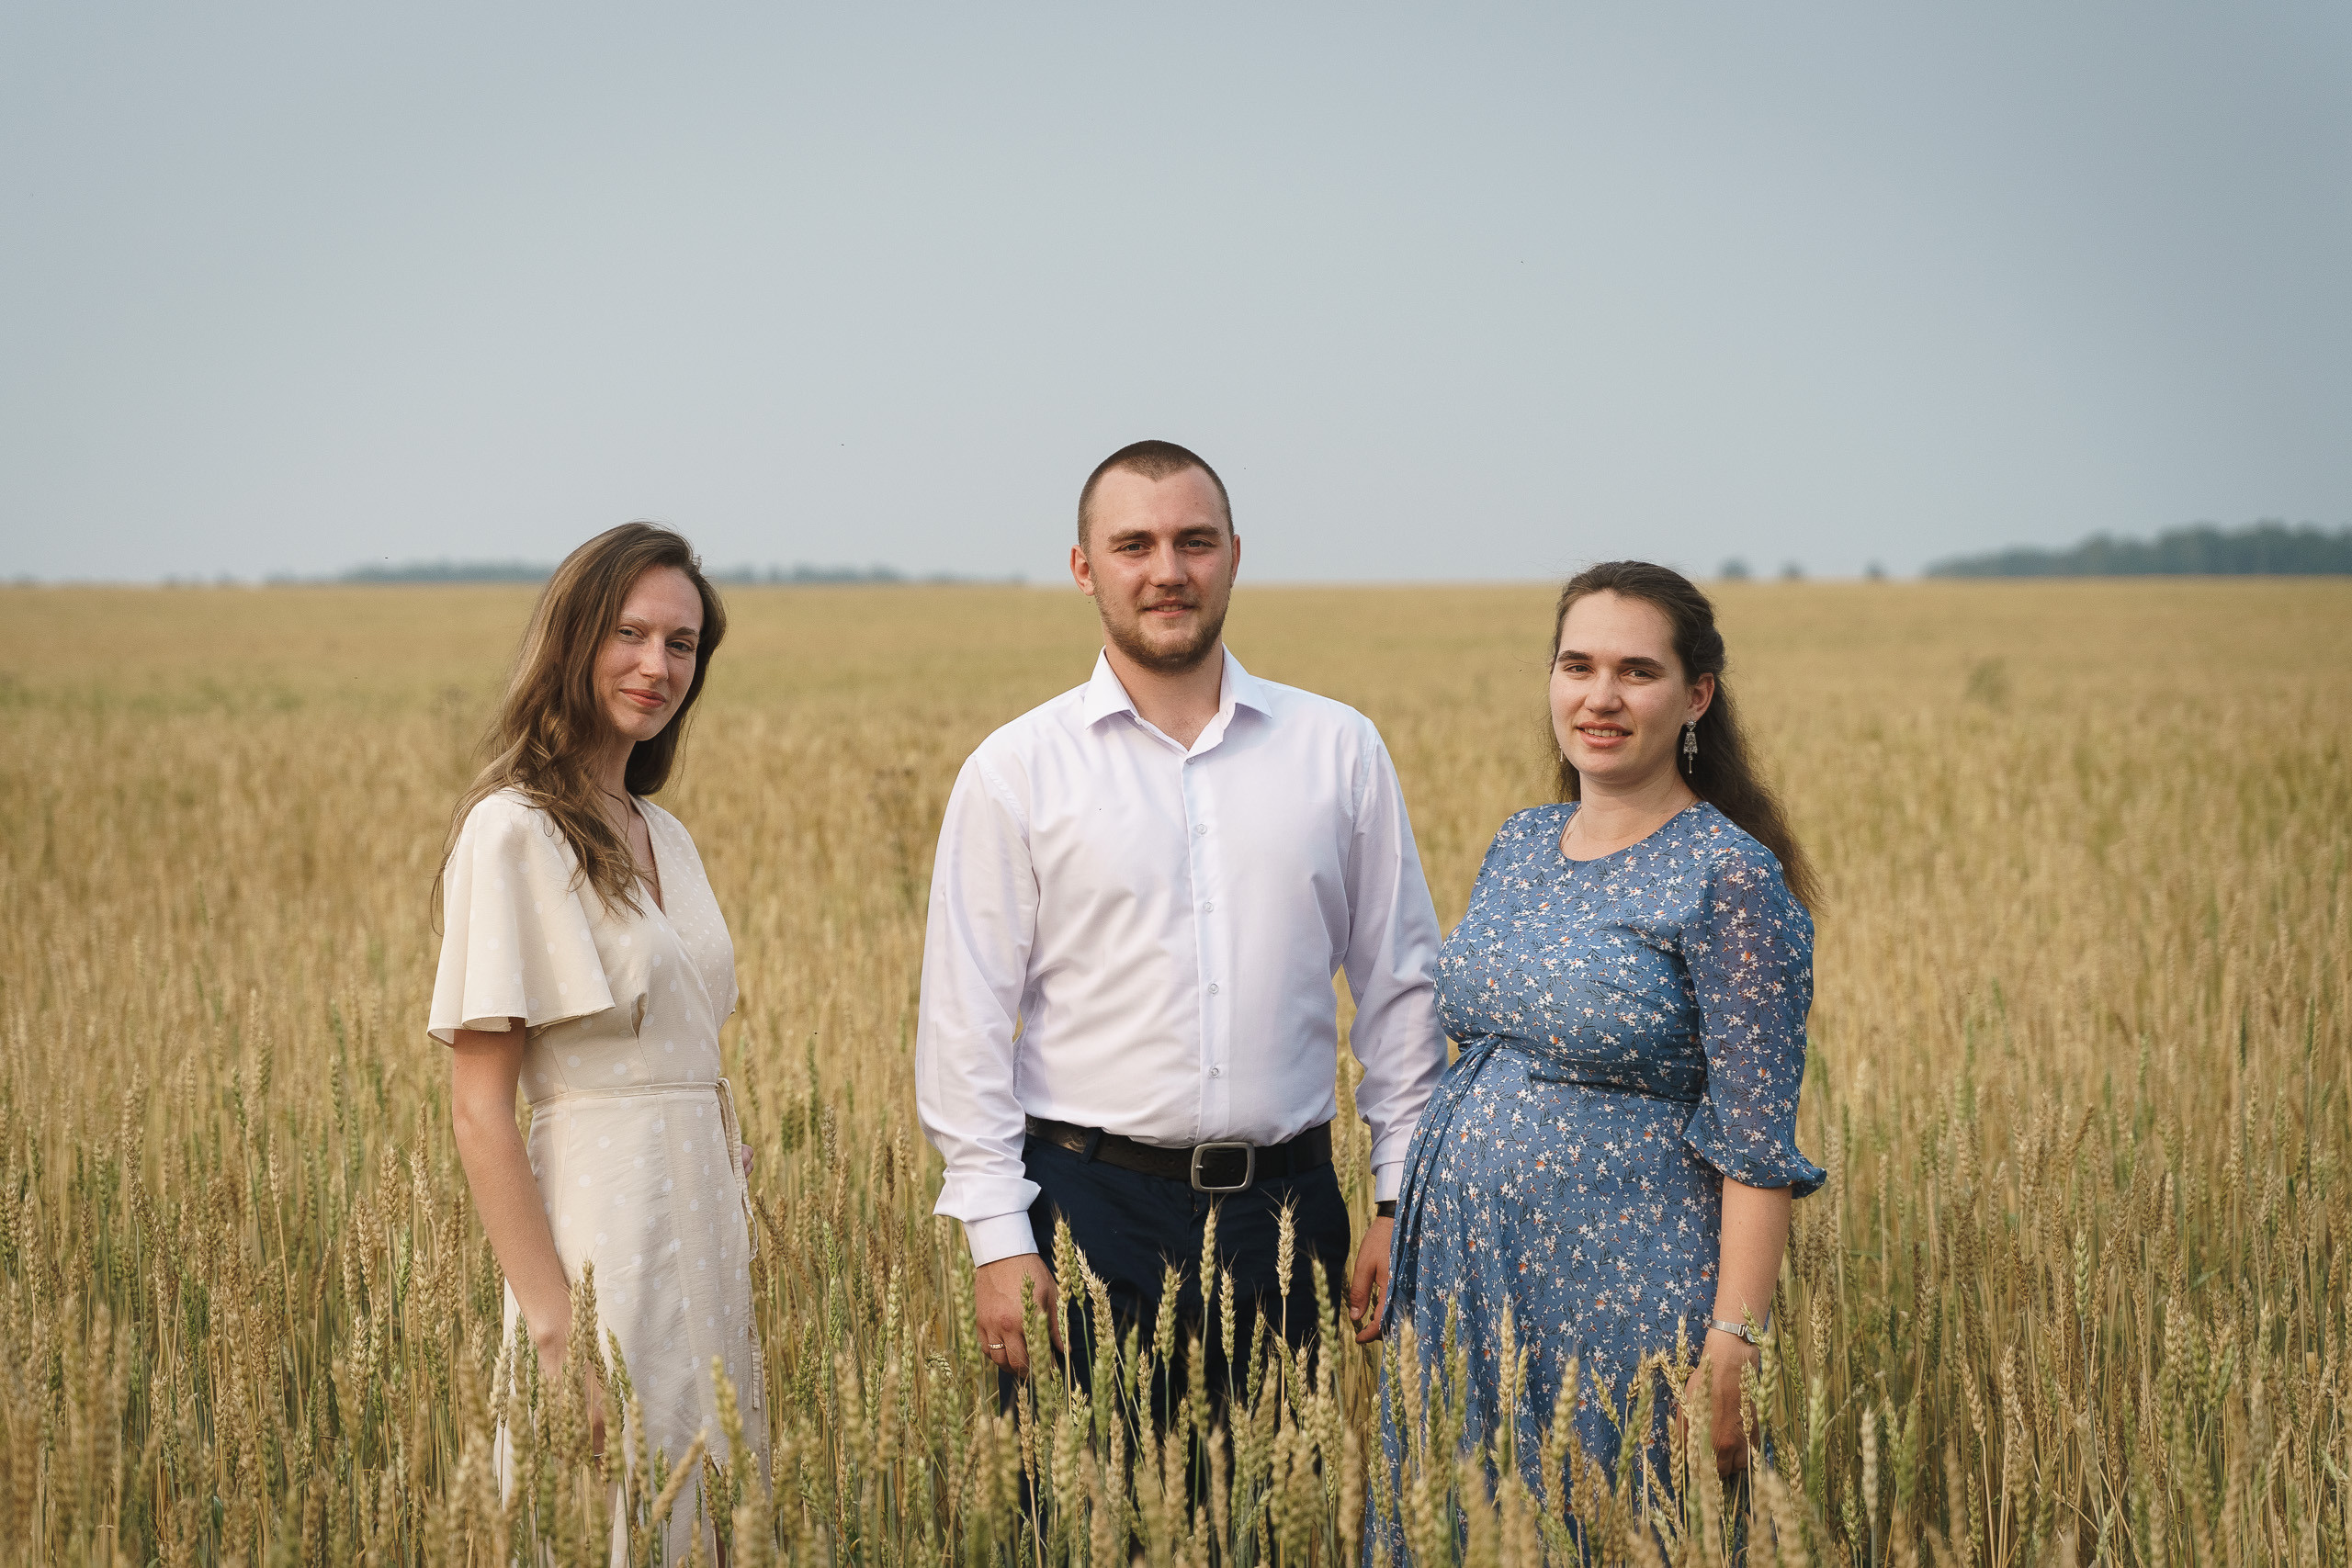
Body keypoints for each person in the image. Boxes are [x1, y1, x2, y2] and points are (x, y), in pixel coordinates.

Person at [914, 440, 1448, 1402]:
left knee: (1278, 1525)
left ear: (1234, 555)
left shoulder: (1337, 750)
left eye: (1194, 542)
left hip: (1288, 1213)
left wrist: (1395, 1197)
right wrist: (998, 1238)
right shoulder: (1016, 769)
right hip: (1082, 1210)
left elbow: (1402, 991)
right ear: (1084, 569)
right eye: (1134, 546)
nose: (1167, 571)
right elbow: (966, 1023)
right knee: (1074, 1533)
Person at [1372, 560, 1825, 1555]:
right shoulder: (1522, 843)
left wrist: (1730, 1347)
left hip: (1622, 1302)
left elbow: (1756, 1145)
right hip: (1462, 1287)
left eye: (1636, 671)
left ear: (1695, 695)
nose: (1600, 697)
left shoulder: (1729, 879)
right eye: (1576, 665)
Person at [430, 523, 763, 1563]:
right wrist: (554, 1328)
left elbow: (689, 1044)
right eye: (629, 634)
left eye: (682, 644)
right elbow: (480, 1106)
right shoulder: (513, 829)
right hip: (600, 1235)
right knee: (602, 1515)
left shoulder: (667, 835)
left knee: (709, 1512)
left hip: (706, 1230)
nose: (656, 666)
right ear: (572, 641)